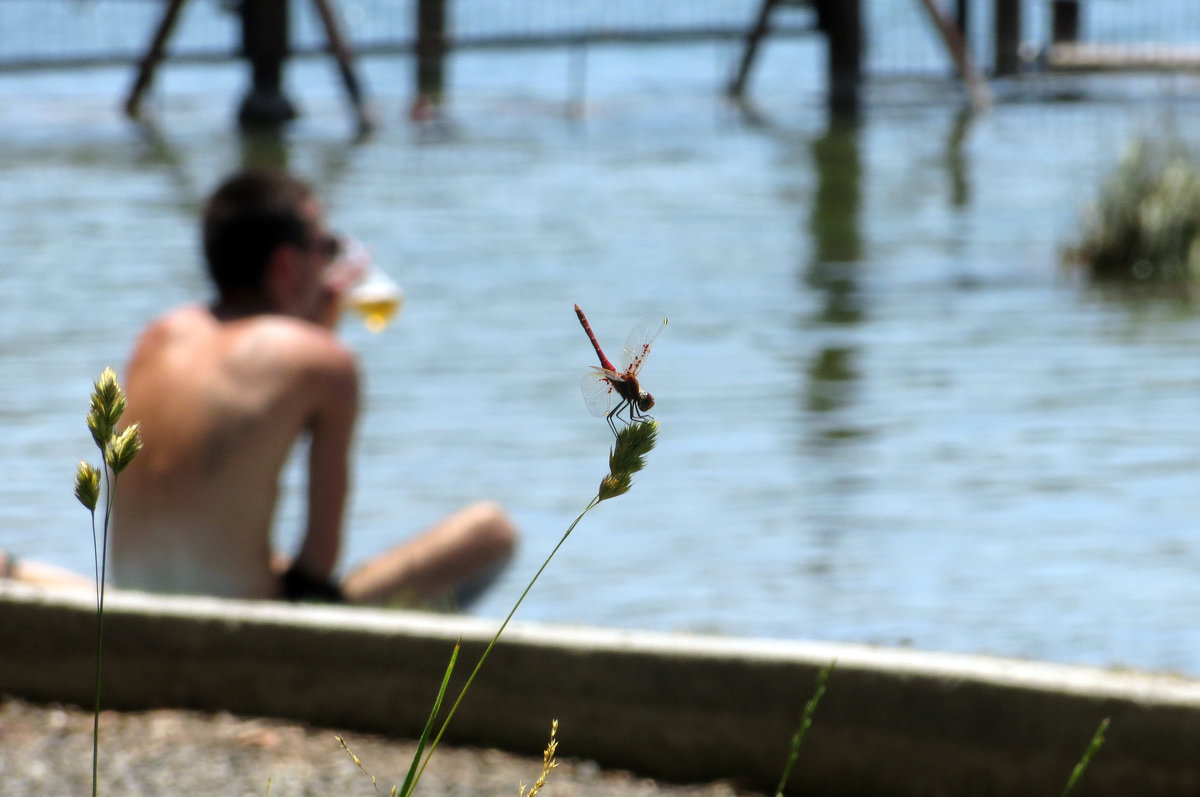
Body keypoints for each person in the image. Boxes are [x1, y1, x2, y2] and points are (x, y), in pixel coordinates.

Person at [2, 169, 516, 607]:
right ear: (287, 265)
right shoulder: (326, 362)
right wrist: (321, 344)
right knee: (492, 532)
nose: (335, 265)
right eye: (327, 246)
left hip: (134, 607)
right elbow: (317, 569)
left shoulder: (158, 335)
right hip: (246, 629)